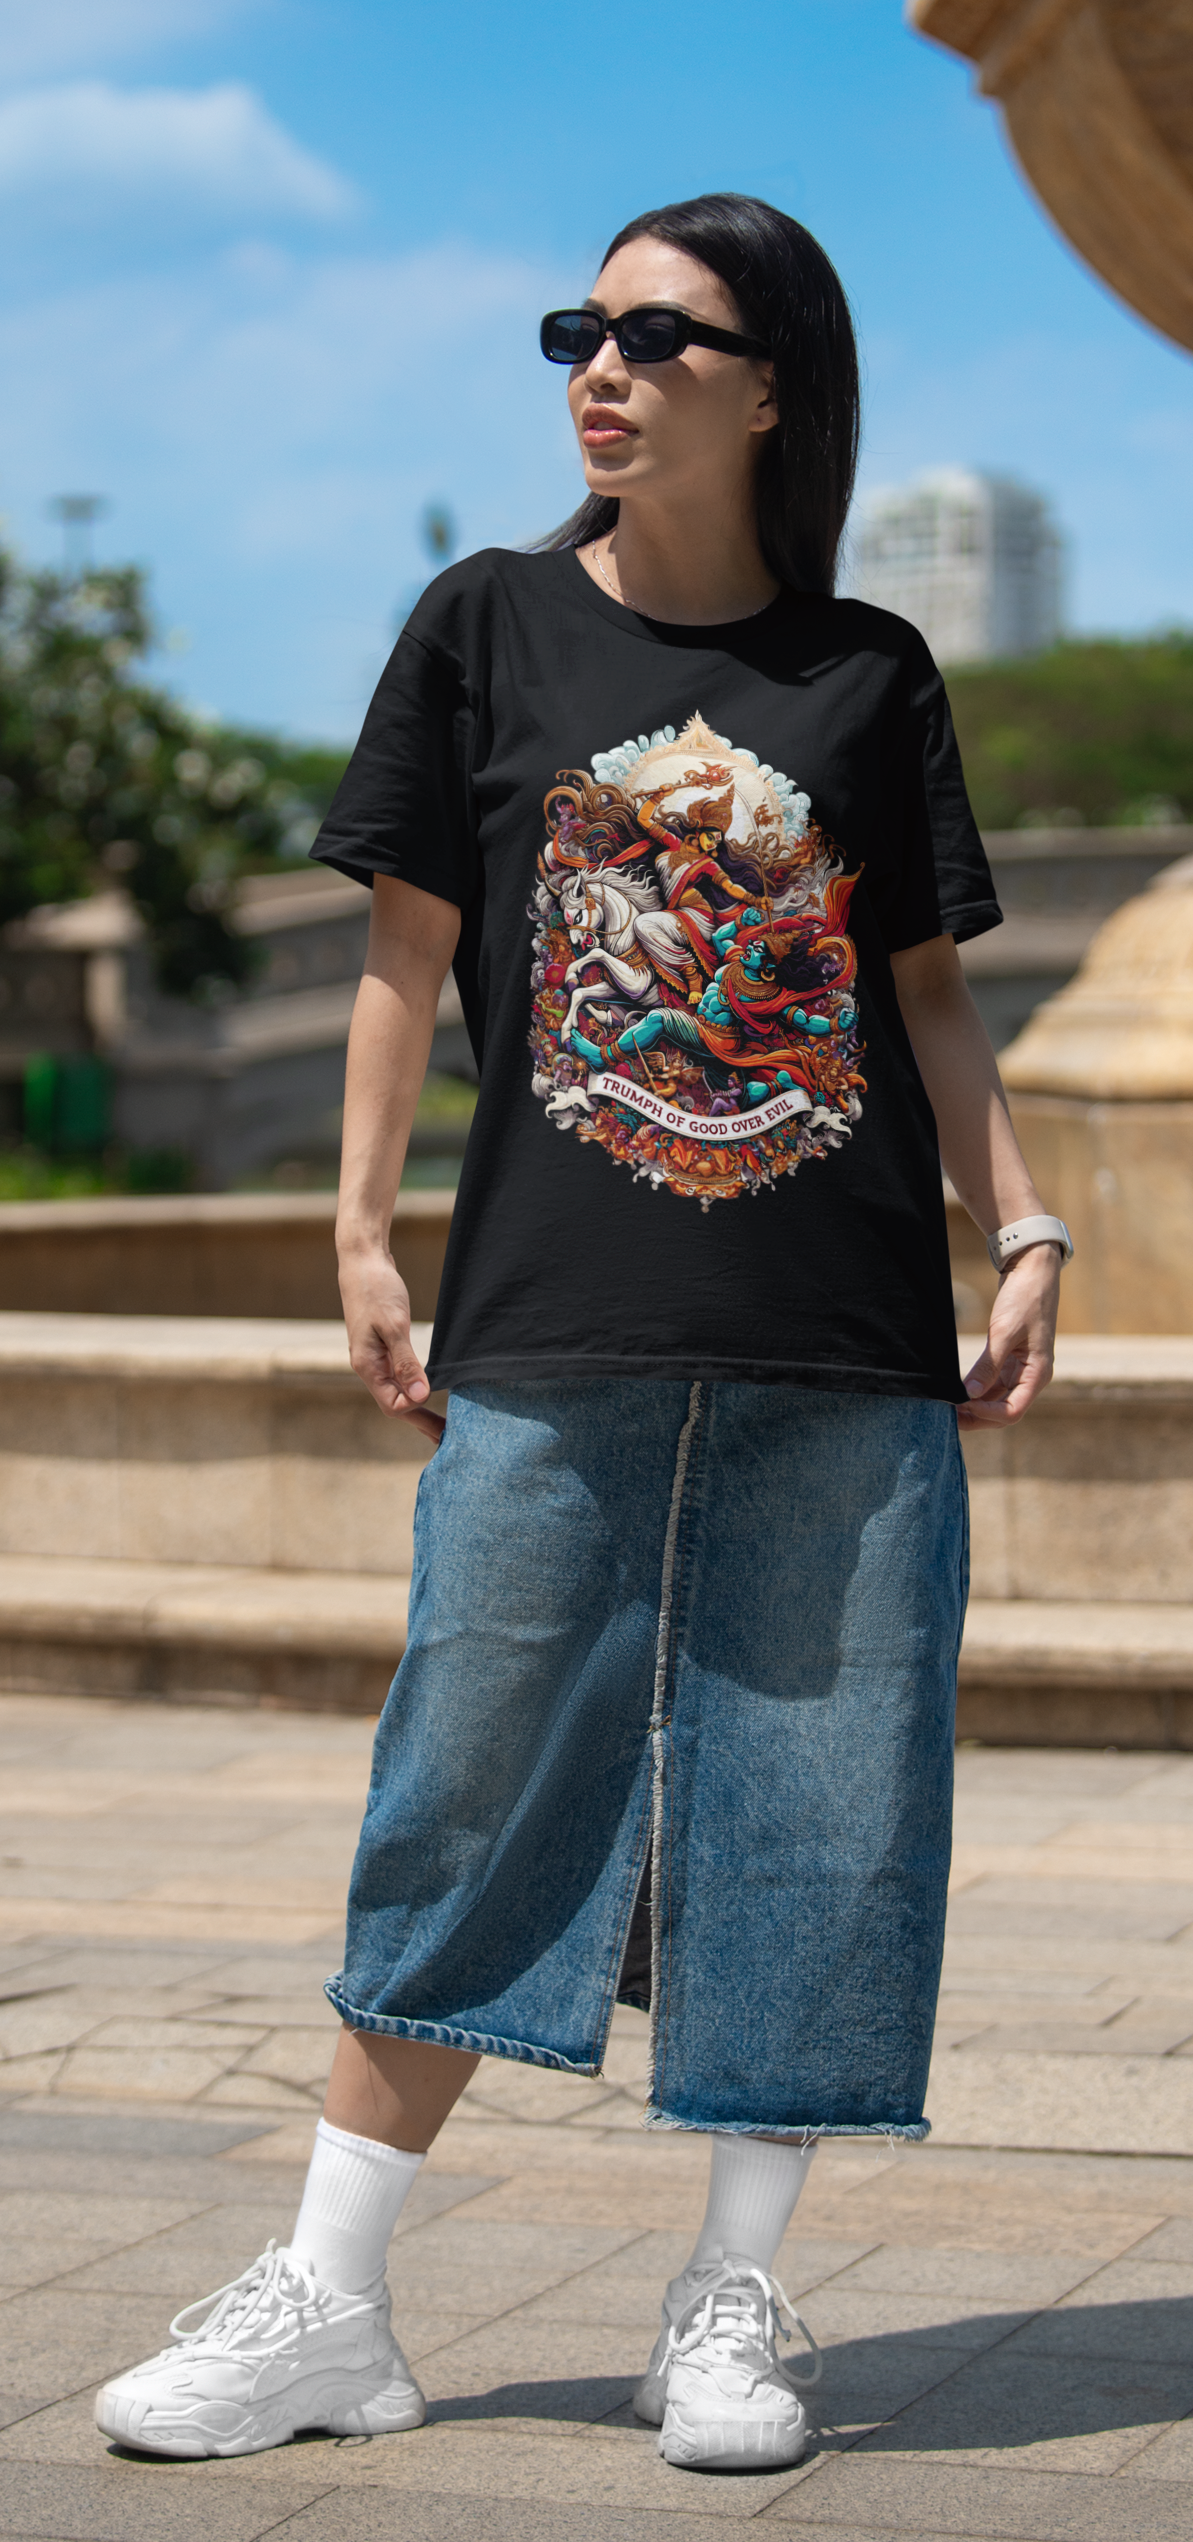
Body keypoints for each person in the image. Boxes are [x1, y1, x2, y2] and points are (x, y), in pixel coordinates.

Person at [96, 192, 1071, 2475]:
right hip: (549, 1315)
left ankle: (727, 2300)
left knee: (821, 1807)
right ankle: (329, 2298)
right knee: (462, 1772)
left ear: (772, 385)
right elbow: (403, 953)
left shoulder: (871, 671)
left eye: (654, 333)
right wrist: (362, 1226)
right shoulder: (489, 620)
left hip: (845, 1336)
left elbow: (926, 999)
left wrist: (1021, 1221)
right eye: (579, 329)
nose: (600, 368)